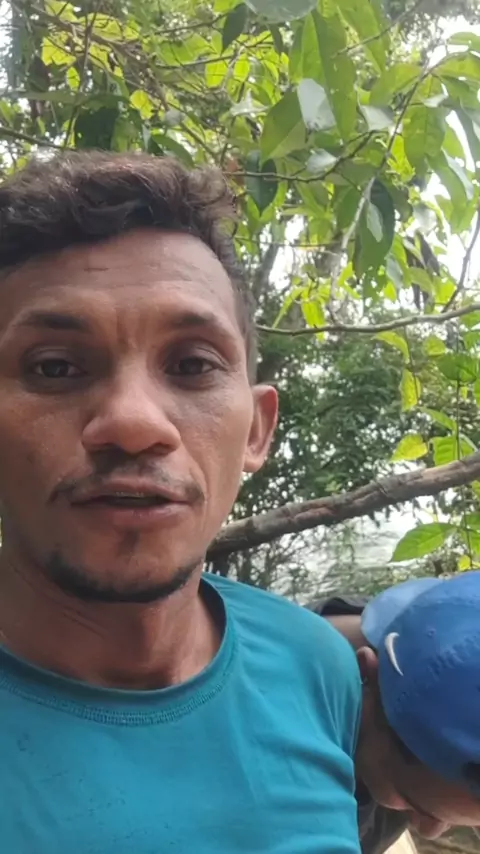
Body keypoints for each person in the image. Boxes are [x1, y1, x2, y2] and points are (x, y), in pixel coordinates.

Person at [0, 151, 362, 853]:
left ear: (256, 431)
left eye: (193, 365)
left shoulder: (316, 667)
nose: (134, 423)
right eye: (55, 367)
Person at [310, 572, 480, 854]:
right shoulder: (294, 800)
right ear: (364, 678)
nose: (429, 831)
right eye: (413, 803)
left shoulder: (422, 622)